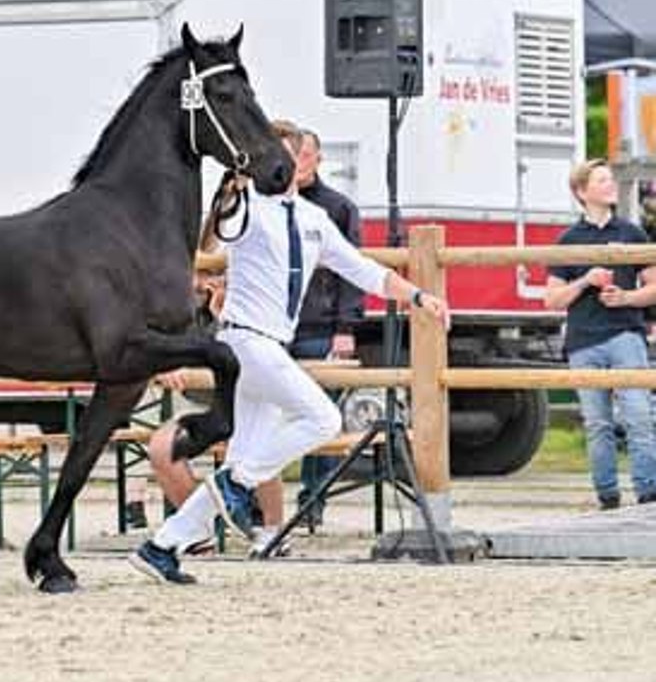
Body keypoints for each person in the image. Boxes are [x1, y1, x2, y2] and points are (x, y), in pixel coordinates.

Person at [129, 140, 450, 584]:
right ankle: (234, 488)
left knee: (240, 463)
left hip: (272, 347)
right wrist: (229, 192)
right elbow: (214, 235)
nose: (290, 163)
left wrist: (418, 296)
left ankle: (160, 547)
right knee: (321, 419)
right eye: (280, 155)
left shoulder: (315, 219)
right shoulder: (250, 209)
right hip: (246, 341)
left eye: (296, 154)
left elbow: (362, 270)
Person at [544, 160, 656, 510]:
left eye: (610, 179)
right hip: (583, 343)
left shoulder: (633, 234)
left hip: (627, 335)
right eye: (602, 179)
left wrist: (626, 297)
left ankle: (648, 495)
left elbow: (654, 288)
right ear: (582, 191)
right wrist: (585, 280)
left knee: (639, 417)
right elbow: (552, 299)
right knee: (597, 425)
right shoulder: (567, 240)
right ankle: (607, 497)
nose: (611, 184)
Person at [291, 127, 364, 527]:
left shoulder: (337, 208)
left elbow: (351, 271)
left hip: (319, 323)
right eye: (293, 154)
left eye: (305, 154)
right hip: (276, 325)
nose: (299, 161)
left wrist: (345, 325)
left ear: (318, 159)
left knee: (319, 415)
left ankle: (312, 501)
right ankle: (250, 502)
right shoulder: (263, 202)